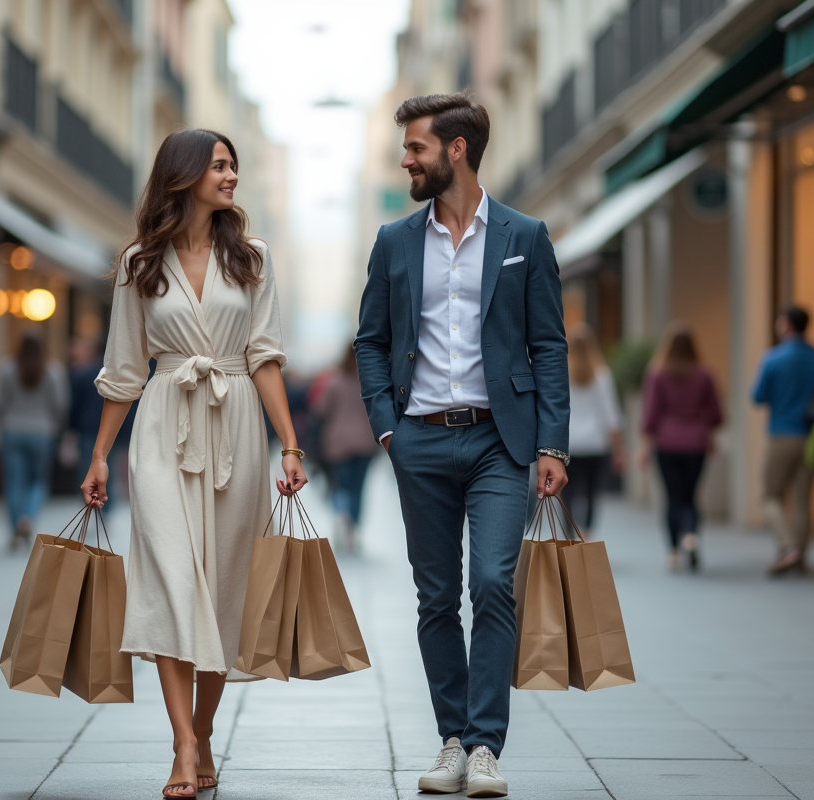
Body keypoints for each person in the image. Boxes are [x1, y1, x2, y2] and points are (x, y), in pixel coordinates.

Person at [355, 92, 569, 799]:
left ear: (455, 150)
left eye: (415, 147)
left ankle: (485, 746)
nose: (405, 159)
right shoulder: (394, 241)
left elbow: (547, 346)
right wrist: (388, 425)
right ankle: (451, 740)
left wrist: (553, 445)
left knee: (493, 585)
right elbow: (373, 342)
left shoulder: (524, 236)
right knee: (437, 595)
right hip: (420, 439)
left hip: (500, 443)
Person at [80, 129, 305, 799]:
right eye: (219, 166)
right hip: (161, 430)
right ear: (184, 176)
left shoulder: (253, 258)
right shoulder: (138, 263)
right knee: (173, 585)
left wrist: (289, 443)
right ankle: (183, 745)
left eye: (233, 166)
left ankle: (203, 727)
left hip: (235, 427)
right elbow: (123, 369)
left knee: (225, 591)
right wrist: (98, 455)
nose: (231, 176)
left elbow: (263, 355)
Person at [640, 322, 723, 571]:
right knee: (690, 495)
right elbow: (717, 414)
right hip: (696, 443)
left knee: (672, 496)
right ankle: (691, 535)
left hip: (666, 442)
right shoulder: (705, 374)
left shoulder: (657, 373)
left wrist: (645, 446)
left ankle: (674, 551)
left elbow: (651, 415)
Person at [751, 306, 814, 576]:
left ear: (786, 325)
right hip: (811, 437)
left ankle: (788, 547)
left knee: (769, 496)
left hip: (780, 435)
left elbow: (757, 396)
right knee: (803, 500)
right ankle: (800, 557)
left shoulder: (773, 359)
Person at [0, 333, 69, 548]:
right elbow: (60, 405)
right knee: (37, 482)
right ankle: (27, 517)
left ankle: (14, 529)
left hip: (12, 430)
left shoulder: (7, 368)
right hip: (42, 432)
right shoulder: (53, 370)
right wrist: (52, 427)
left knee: (14, 482)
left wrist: (1, 426)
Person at [312, 348, 379, 552]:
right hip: (365, 442)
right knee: (358, 487)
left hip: (338, 442)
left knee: (341, 484)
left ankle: (342, 513)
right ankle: (353, 528)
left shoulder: (334, 381)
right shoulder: (370, 381)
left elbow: (321, 410)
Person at [562, 323, 624, 533]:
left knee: (567, 491)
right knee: (591, 491)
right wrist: (618, 449)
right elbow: (611, 415)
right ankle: (586, 531)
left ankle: (569, 532)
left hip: (568, 443)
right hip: (596, 444)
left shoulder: (562, 375)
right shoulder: (602, 376)